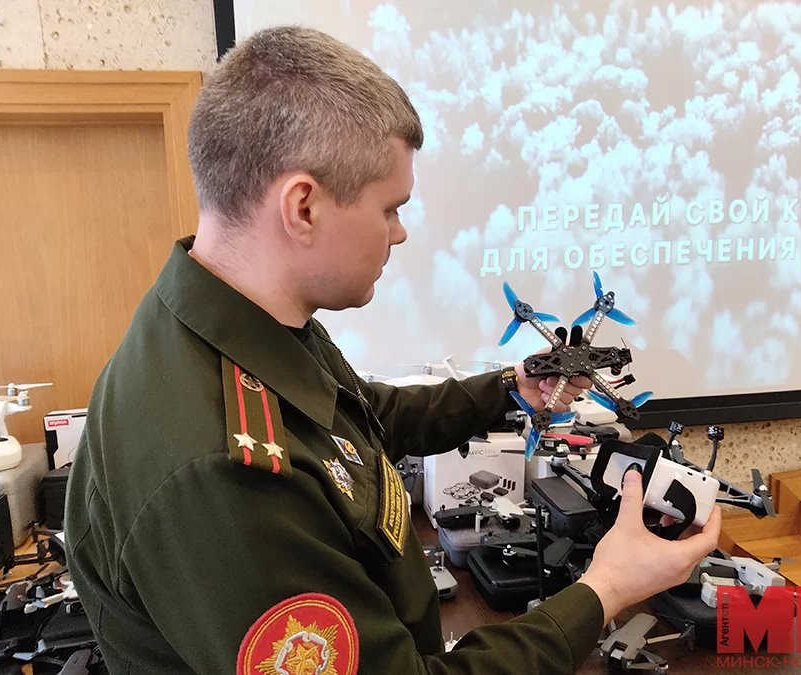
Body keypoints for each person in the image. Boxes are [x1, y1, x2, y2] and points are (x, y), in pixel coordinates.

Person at [64, 26, 720, 674]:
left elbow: (359, 419)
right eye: (389, 208)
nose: (400, 233)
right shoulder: (223, 473)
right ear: (303, 207)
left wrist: (513, 388)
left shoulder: (235, 320)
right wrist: (605, 588)